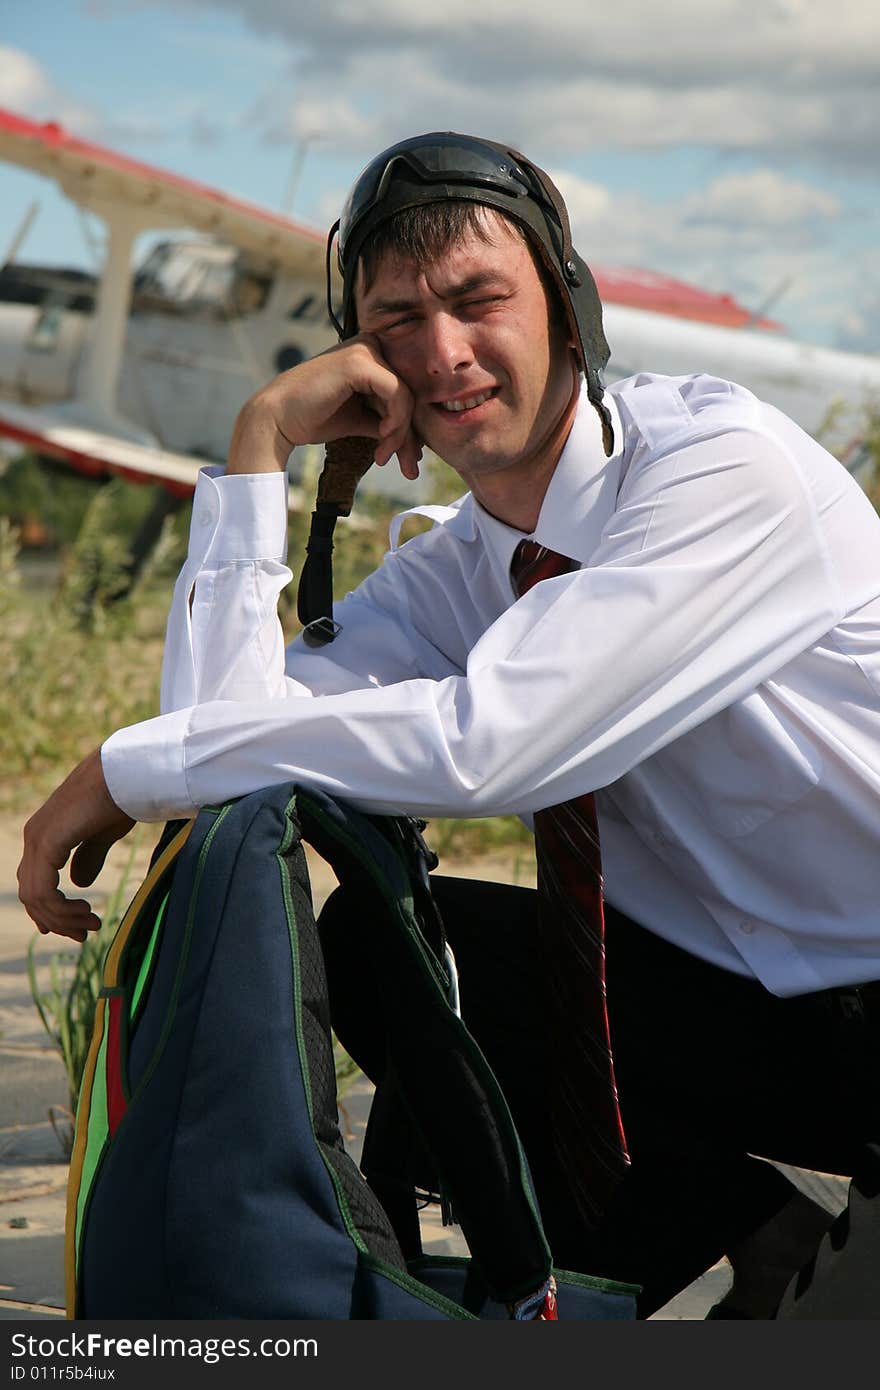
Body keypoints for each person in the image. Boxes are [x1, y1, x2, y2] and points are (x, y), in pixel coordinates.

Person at [17, 133, 880, 1318]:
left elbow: (491, 743)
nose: (443, 351)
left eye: (480, 300)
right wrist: (260, 446)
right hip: (723, 1008)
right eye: (396, 321)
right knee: (386, 947)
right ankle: (729, 1231)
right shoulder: (459, 563)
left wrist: (127, 766)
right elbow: (224, 742)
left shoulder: (717, 468)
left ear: (568, 307)